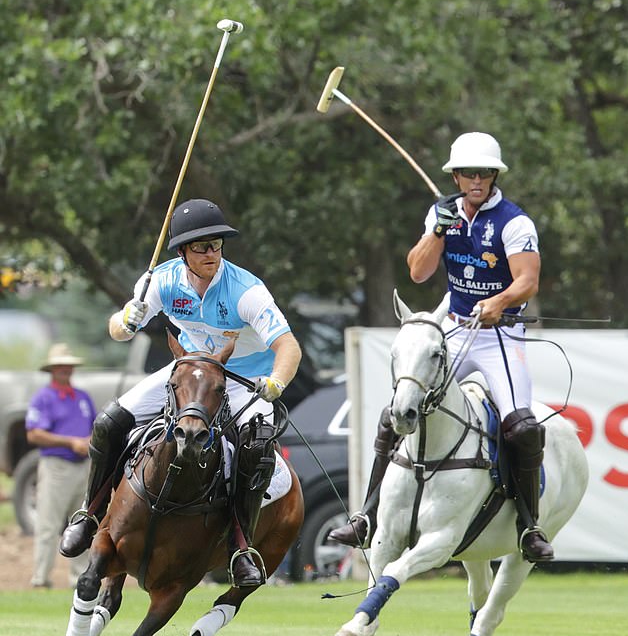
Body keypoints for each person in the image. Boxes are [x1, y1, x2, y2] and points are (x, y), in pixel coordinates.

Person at [330, 132, 553, 563]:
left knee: (522, 427)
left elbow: (527, 280)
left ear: (494, 176)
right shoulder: (442, 213)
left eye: (485, 173)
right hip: (453, 327)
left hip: (499, 334)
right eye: (469, 172)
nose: (477, 179)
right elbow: (417, 271)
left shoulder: (514, 222)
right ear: (454, 175)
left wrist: (499, 301)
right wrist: (437, 229)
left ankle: (529, 525)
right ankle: (367, 516)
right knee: (398, 409)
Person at [59, 199, 302, 586]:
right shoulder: (163, 280)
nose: (212, 253)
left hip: (241, 382)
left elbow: (289, 347)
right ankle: (89, 515)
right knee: (108, 423)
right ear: (183, 252)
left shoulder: (246, 290)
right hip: (188, 371)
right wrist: (126, 321)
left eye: (217, 244)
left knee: (254, 448)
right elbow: (117, 331)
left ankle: (240, 547)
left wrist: (275, 383)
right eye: (202, 247)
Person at [26, 343, 97, 588]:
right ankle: (41, 578)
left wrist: (88, 441)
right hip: (56, 466)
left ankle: (79, 579)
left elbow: (95, 427)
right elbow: (34, 434)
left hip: (83, 466)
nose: (65, 369)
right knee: (48, 524)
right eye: (61, 366)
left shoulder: (82, 397)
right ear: (53, 370)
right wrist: (70, 442)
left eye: (68, 366)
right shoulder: (44, 398)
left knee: (81, 523)